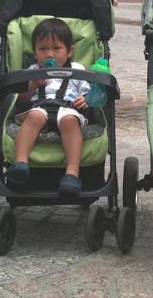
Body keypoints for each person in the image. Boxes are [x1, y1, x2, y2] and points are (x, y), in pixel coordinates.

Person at [6, 18, 90, 197]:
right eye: (43, 49)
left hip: (67, 108)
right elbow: (22, 100)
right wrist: (33, 86)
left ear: (69, 51)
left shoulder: (76, 68)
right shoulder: (33, 69)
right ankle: (20, 164)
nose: (49, 54)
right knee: (34, 117)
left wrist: (85, 99)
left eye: (56, 48)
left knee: (69, 121)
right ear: (35, 53)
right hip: (39, 107)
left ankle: (72, 174)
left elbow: (88, 93)